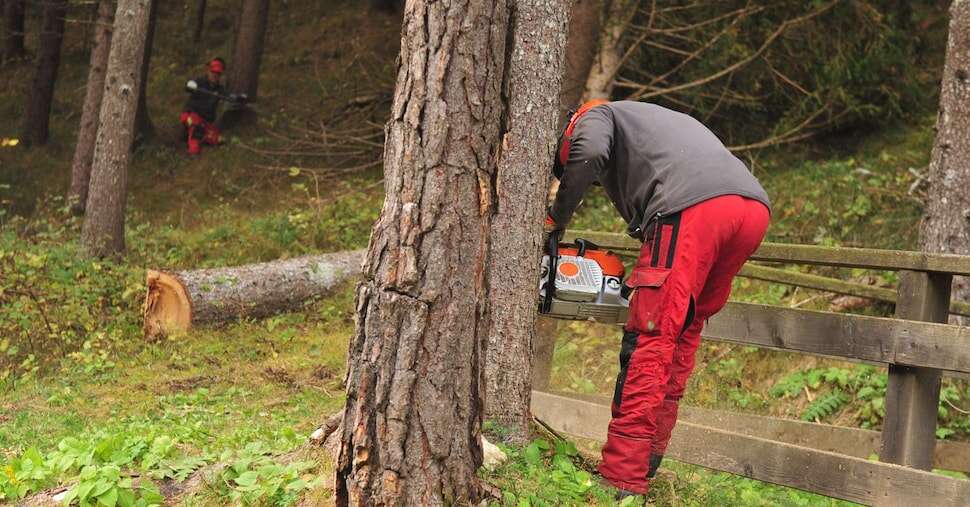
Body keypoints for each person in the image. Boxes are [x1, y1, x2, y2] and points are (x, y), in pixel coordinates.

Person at [545, 100, 771, 497]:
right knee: (683, 335)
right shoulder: (650, 120)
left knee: (651, 336)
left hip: (692, 209)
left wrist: (556, 218)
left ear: (567, 127)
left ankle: (622, 477)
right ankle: (647, 461)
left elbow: (591, 150)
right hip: (751, 210)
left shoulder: (595, 115)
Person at [180, 57, 227, 156]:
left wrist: (238, 98)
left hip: (206, 121)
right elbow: (188, 86)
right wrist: (190, 85)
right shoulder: (199, 81)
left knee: (217, 138)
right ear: (208, 71)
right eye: (213, 72)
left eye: (218, 73)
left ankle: (192, 136)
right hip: (190, 115)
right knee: (196, 126)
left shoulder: (220, 90)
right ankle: (193, 152)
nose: (215, 75)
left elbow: (228, 97)